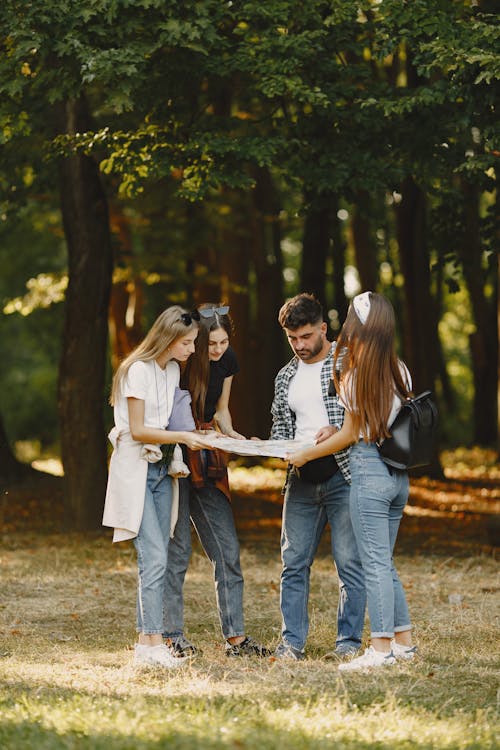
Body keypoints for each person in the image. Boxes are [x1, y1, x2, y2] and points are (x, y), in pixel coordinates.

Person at [287, 291, 417, 672]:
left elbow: (351, 434)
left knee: (372, 563)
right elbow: (374, 423)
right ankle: (404, 643)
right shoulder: (398, 367)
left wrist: (306, 454)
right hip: (397, 475)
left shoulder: (356, 371)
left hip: (367, 472)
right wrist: (338, 427)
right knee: (385, 562)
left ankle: (379, 649)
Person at [102, 305, 214, 670]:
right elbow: (138, 430)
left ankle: (150, 640)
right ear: (168, 339)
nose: (191, 350)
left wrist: (198, 435)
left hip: (165, 468)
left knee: (159, 555)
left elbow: (173, 420)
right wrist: (182, 436)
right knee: (153, 556)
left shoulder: (171, 371)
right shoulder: (137, 370)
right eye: (187, 343)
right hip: (136, 469)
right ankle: (147, 644)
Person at [164, 304, 269, 658]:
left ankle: (237, 639)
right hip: (175, 460)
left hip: (209, 460)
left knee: (227, 550)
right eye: (212, 344)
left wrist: (234, 436)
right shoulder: (181, 358)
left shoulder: (228, 361)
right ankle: (170, 637)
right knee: (176, 551)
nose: (218, 349)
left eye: (224, 342)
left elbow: (221, 410)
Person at [271, 293, 366, 660]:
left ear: (323, 329)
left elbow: (360, 422)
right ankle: (291, 642)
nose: (300, 345)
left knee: (349, 563)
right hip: (301, 480)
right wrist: (268, 446)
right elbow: (280, 427)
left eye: (307, 336)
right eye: (293, 338)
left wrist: (334, 429)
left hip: (344, 475)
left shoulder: (347, 363)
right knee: (292, 564)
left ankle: (347, 644)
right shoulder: (285, 377)